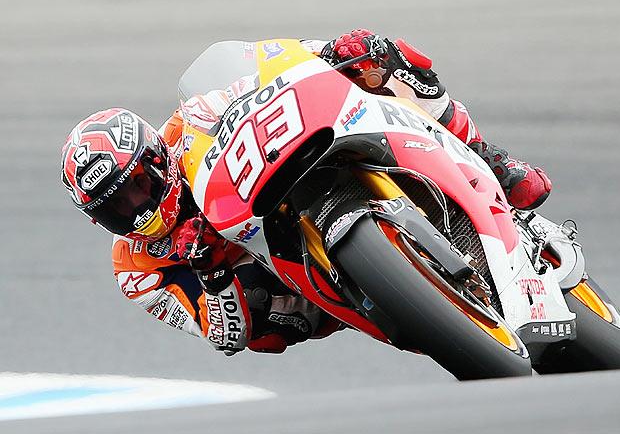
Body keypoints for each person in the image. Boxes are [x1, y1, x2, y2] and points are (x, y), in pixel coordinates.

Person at [61, 30, 552, 355]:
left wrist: (332, 53)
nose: (138, 209)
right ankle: (387, 291)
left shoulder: (187, 125)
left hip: (288, 168)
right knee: (263, 329)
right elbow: (226, 339)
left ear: (154, 158)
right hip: (284, 280)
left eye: (139, 188)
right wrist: (211, 274)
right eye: (117, 211)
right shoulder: (136, 269)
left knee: (382, 59)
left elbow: (266, 68)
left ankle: (490, 160)